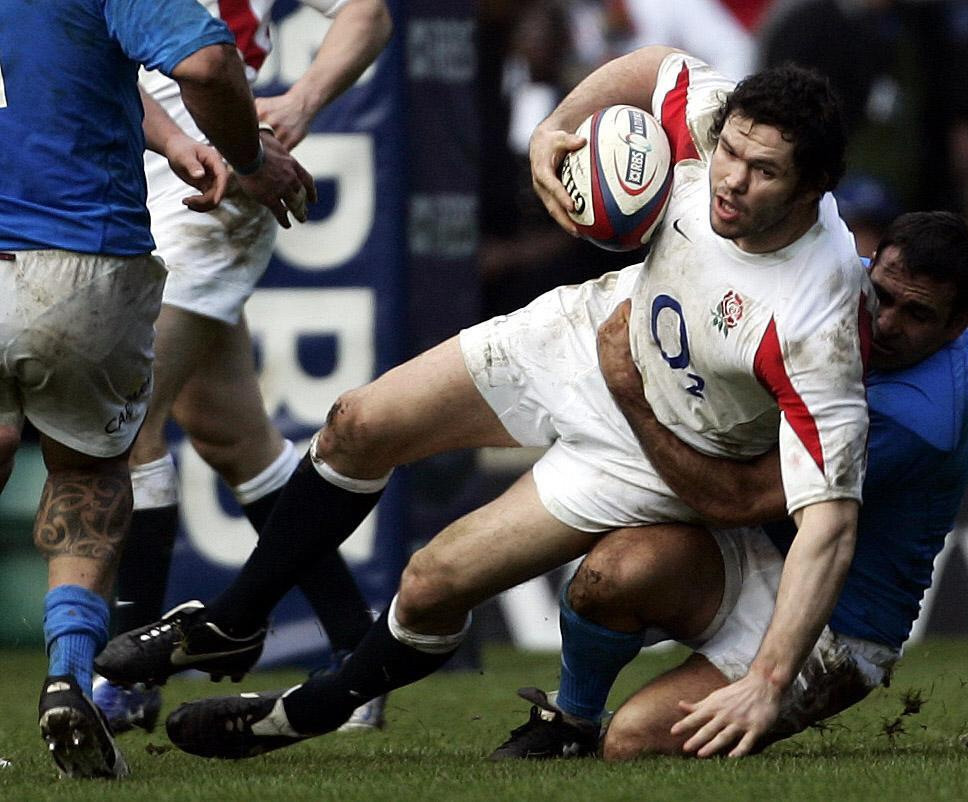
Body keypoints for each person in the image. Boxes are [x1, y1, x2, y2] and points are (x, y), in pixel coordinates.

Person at [96, 45, 872, 760]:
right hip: (588, 335)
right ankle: (235, 622)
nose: (730, 178)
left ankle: (313, 710)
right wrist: (556, 128)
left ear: (812, 189)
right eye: (729, 151)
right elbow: (659, 64)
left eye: (762, 172)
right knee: (355, 424)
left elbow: (830, 525)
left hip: (654, 451)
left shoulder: (812, 318)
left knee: (430, 582)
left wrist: (769, 681)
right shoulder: (717, 121)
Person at [488, 210, 968, 760]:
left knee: (631, 745)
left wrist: (632, 396)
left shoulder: (918, 419)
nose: (887, 323)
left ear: (958, 324)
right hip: (747, 548)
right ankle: (572, 720)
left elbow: (736, 497)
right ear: (869, 267)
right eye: (883, 295)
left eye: (917, 314)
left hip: (838, 625)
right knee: (613, 572)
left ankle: (685, 715)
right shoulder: (837, 278)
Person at [0, 0, 314, 780]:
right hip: (77, 253)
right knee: (88, 474)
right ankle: (71, 677)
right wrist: (247, 158)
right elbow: (206, 62)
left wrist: (171, 139)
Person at [96, 0, 393, 737]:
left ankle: (124, 681)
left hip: (213, 182)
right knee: (235, 439)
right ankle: (360, 655)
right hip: (132, 174)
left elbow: (368, 12)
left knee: (126, 421)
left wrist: (302, 98)